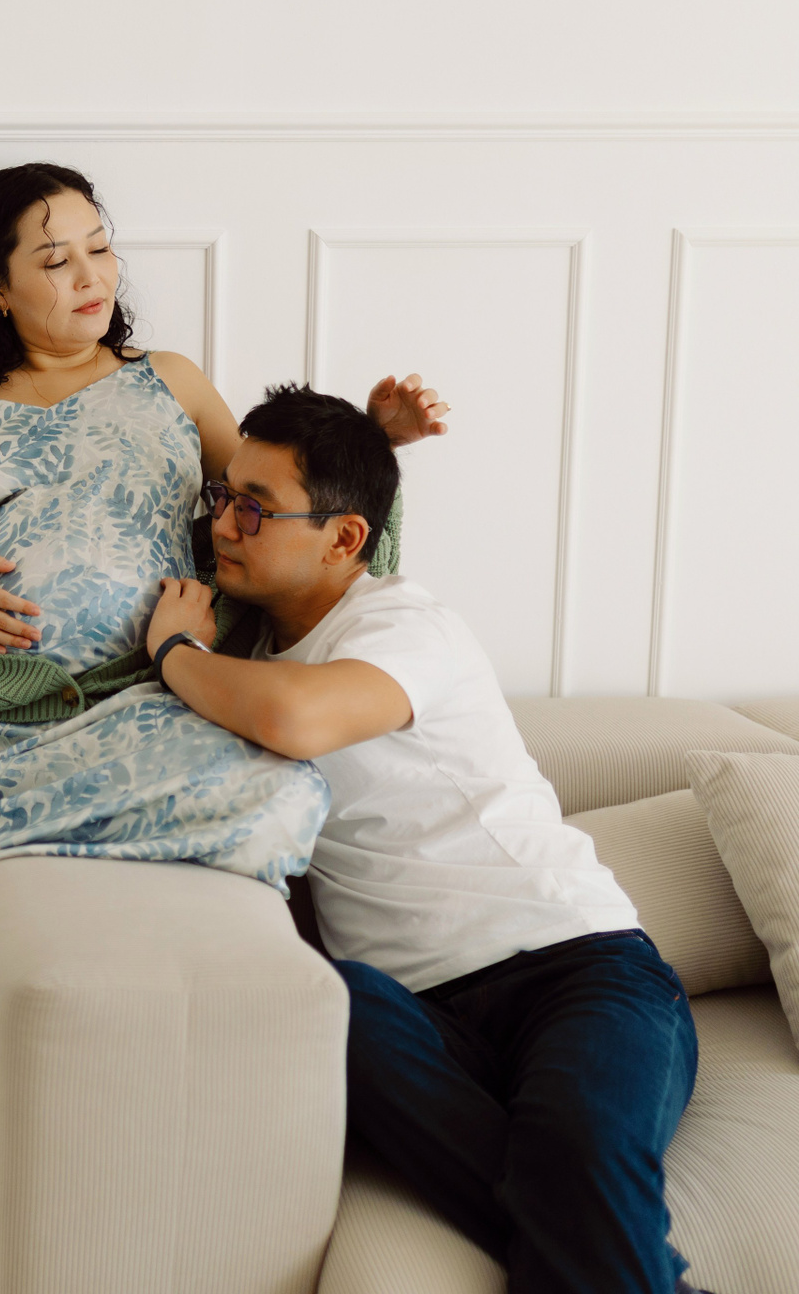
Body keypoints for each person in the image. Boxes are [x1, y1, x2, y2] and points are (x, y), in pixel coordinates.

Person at [0, 163, 451, 1294]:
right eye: (54, 257)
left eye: (101, 247)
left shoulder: (169, 383)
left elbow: (280, 517)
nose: (89, 275)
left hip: (135, 715)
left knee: (279, 793)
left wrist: (376, 445)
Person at [143, 384, 703, 1294]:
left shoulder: (401, 624)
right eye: (223, 496)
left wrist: (175, 653)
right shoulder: (247, 662)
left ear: (345, 540)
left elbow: (298, 719)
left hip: (578, 970)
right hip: (417, 1016)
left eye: (255, 508)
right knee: (327, 1001)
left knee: (576, 1149)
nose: (223, 524)